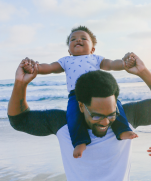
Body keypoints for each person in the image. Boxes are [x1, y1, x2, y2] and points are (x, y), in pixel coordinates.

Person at [8, 53, 151, 181]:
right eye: (97, 115)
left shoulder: (125, 118)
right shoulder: (63, 123)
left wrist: (143, 72)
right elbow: (19, 120)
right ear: (81, 106)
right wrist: (20, 84)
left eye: (111, 114)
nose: (105, 122)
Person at [22, 25, 137, 158]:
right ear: (69, 50)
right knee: (72, 116)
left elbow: (111, 64)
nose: (78, 40)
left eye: (83, 38)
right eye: (73, 39)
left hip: (98, 91)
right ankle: (80, 141)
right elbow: (50, 67)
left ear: (93, 49)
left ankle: (123, 130)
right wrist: (34, 67)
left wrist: (124, 63)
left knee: (116, 105)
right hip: (75, 94)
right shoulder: (66, 61)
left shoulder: (96, 58)